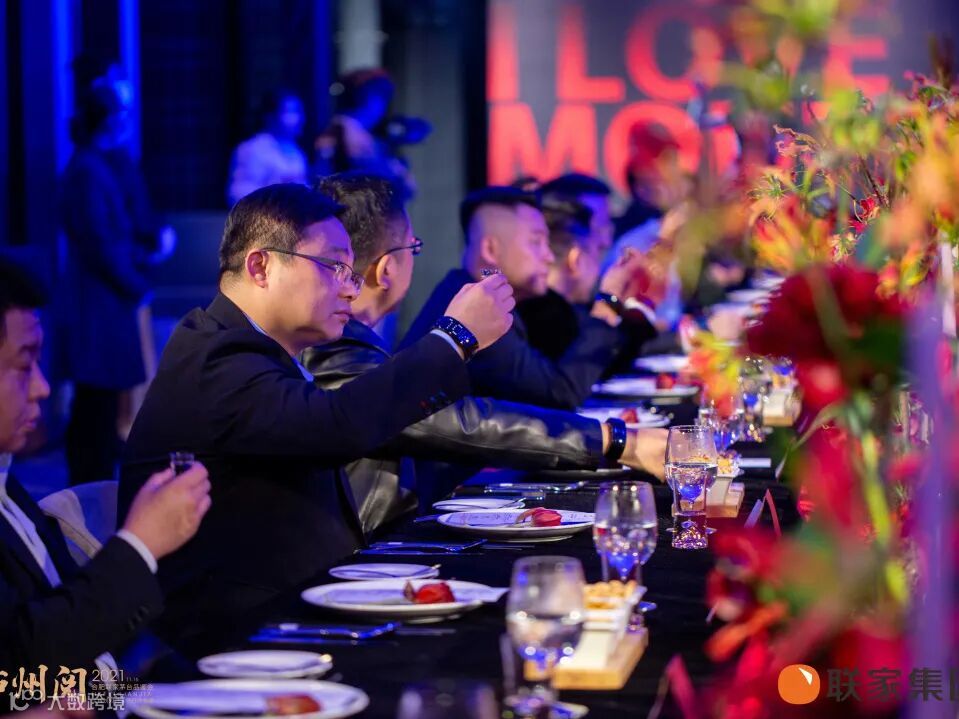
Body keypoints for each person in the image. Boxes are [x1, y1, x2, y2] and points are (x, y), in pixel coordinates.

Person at [120, 183, 514, 648]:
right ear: (260, 266)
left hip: (299, 612)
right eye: (333, 267)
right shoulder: (216, 355)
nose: (350, 288)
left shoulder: (253, 351)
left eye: (351, 271)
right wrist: (454, 337)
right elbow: (335, 425)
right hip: (237, 640)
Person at [303, 175, 667, 529]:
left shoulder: (351, 341)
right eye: (414, 248)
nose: (548, 256)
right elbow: (473, 418)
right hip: (384, 537)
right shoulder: (463, 307)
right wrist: (617, 440)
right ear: (387, 270)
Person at [0, 258, 210, 681]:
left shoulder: (9, 482)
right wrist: (139, 543)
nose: (42, 387)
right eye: (24, 365)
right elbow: (23, 666)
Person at [401, 186, 647, 411]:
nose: (548, 256)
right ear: (490, 250)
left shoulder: (482, 295)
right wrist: (608, 302)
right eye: (536, 242)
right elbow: (558, 395)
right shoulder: (471, 312)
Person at [60, 64, 175, 486]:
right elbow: (100, 242)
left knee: (102, 401)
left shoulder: (99, 166)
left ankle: (95, 478)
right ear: (107, 121)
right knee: (96, 401)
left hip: (107, 295)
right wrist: (135, 284)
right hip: (99, 300)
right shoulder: (88, 171)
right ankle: (87, 485)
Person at [314, 69, 416, 197]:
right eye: (383, 99)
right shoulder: (342, 127)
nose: (383, 107)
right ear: (371, 100)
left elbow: (410, 187)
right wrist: (393, 169)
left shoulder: (369, 133)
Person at [227, 90, 308, 206]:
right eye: (290, 112)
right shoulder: (252, 149)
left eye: (299, 112)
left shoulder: (296, 151)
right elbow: (238, 194)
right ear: (269, 116)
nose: (298, 118)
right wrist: (277, 193)